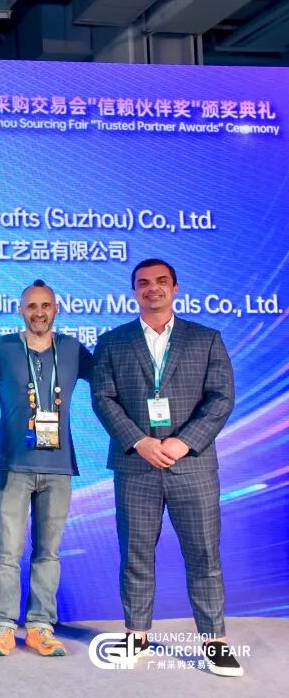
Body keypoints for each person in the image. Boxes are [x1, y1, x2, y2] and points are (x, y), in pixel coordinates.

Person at [92, 258, 242, 678]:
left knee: (204, 555)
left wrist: (183, 442)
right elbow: (103, 398)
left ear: (175, 288)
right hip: (135, 466)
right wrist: (140, 441)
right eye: (143, 283)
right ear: (134, 291)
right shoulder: (112, 342)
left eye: (161, 282)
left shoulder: (206, 339)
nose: (152, 288)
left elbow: (222, 398)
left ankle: (214, 642)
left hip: (191, 465)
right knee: (135, 554)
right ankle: (135, 635)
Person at [0, 280, 93, 658]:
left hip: (59, 468)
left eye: (46, 306)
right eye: (32, 306)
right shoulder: (3, 348)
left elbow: (112, 382)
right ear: (21, 311)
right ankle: (2, 625)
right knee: (7, 551)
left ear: (56, 310)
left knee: (49, 552)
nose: (39, 312)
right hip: (13, 464)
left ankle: (40, 626)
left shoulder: (73, 349)